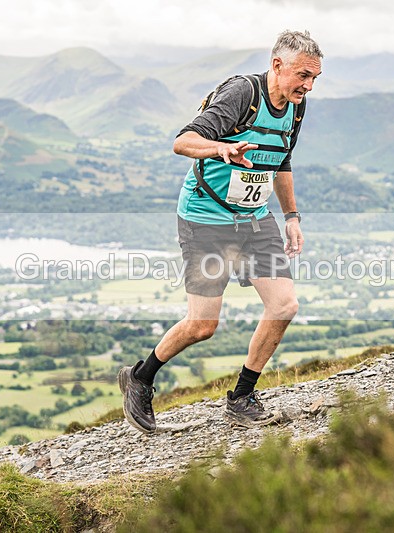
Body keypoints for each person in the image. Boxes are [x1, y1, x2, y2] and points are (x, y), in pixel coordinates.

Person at [119, 30, 323, 432]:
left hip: (253, 218)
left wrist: (292, 216)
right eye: (303, 75)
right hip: (207, 217)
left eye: (315, 78)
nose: (309, 86)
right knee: (202, 325)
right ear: (277, 65)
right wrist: (220, 148)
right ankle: (140, 378)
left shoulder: (296, 108)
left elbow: (281, 162)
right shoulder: (242, 94)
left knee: (284, 306)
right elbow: (183, 141)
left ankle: (241, 397)